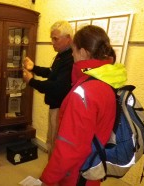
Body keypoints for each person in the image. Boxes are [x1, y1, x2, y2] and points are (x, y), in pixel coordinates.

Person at [40, 25, 127, 186]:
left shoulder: (84, 92)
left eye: (73, 49)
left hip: (78, 173)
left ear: (83, 52)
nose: (72, 54)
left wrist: (47, 179)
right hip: (94, 167)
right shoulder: (109, 80)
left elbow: (69, 147)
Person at [23, 20, 74, 158]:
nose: (52, 42)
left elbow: (56, 87)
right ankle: (51, 175)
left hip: (61, 108)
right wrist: (33, 68)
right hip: (55, 106)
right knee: (51, 141)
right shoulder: (62, 54)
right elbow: (51, 72)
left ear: (68, 38)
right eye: (52, 38)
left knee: (56, 144)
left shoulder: (70, 59)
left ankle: (54, 177)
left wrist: (31, 81)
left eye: (55, 39)